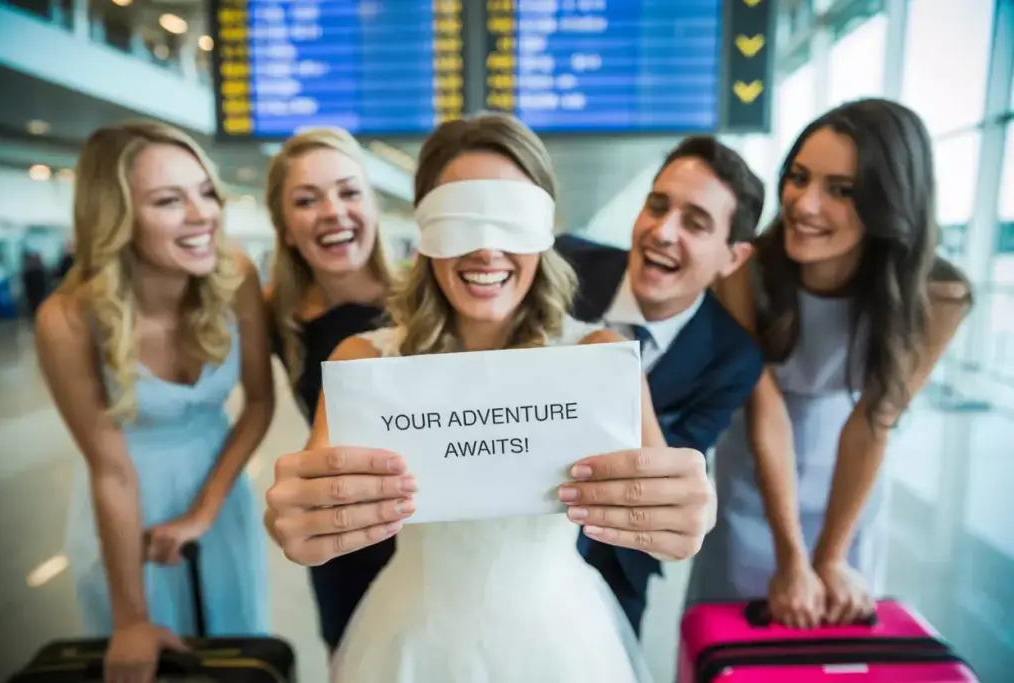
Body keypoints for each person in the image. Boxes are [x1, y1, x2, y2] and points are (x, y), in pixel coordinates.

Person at [264, 112, 715, 682]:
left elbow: (662, 498)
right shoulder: (366, 362)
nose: (486, 249)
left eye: (510, 219)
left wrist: (688, 511)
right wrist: (300, 518)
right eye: (460, 221)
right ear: (426, 227)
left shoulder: (597, 360)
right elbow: (311, 506)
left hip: (561, 639)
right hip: (414, 637)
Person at [688, 98, 973, 628]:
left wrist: (830, 556)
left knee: (836, 629)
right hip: (753, 468)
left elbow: (873, 421)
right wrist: (794, 558)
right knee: (736, 624)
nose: (804, 204)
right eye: (798, 178)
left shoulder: (939, 294)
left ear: (890, 201)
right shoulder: (744, 270)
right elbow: (763, 406)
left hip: (850, 482)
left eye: (841, 191)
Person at [35, 121, 274, 681]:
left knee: (237, 644)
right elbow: (111, 469)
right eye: (169, 200)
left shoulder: (233, 272)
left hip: (220, 493)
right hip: (127, 507)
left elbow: (259, 403)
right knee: (145, 656)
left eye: (205, 191)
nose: (202, 215)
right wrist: (131, 618)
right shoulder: (68, 319)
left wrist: (203, 514)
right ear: (116, 216)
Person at [556, 136, 766, 636]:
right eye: (656, 206)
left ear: (732, 258)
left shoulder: (732, 357)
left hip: (617, 555)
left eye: (695, 223)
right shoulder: (563, 264)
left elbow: (671, 465)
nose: (663, 231)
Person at [264, 128, 397, 662]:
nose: (332, 211)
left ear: (372, 206)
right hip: (340, 529)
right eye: (306, 199)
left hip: (419, 528)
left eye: (348, 192)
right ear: (286, 230)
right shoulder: (279, 313)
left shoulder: (426, 302)